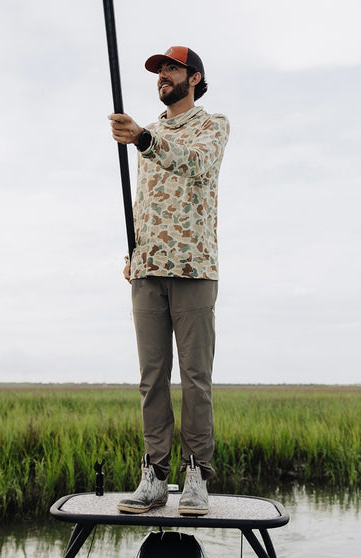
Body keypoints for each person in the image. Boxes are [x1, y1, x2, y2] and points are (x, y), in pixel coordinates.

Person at [108, 45, 230, 516]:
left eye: (171, 68)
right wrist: (132, 254)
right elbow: (145, 202)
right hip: (148, 269)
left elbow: (195, 164)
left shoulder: (212, 125)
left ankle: (195, 476)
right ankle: (155, 477)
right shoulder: (150, 133)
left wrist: (142, 139)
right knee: (151, 378)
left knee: (196, 379)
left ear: (194, 78)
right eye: (159, 70)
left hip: (194, 267)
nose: (162, 75)